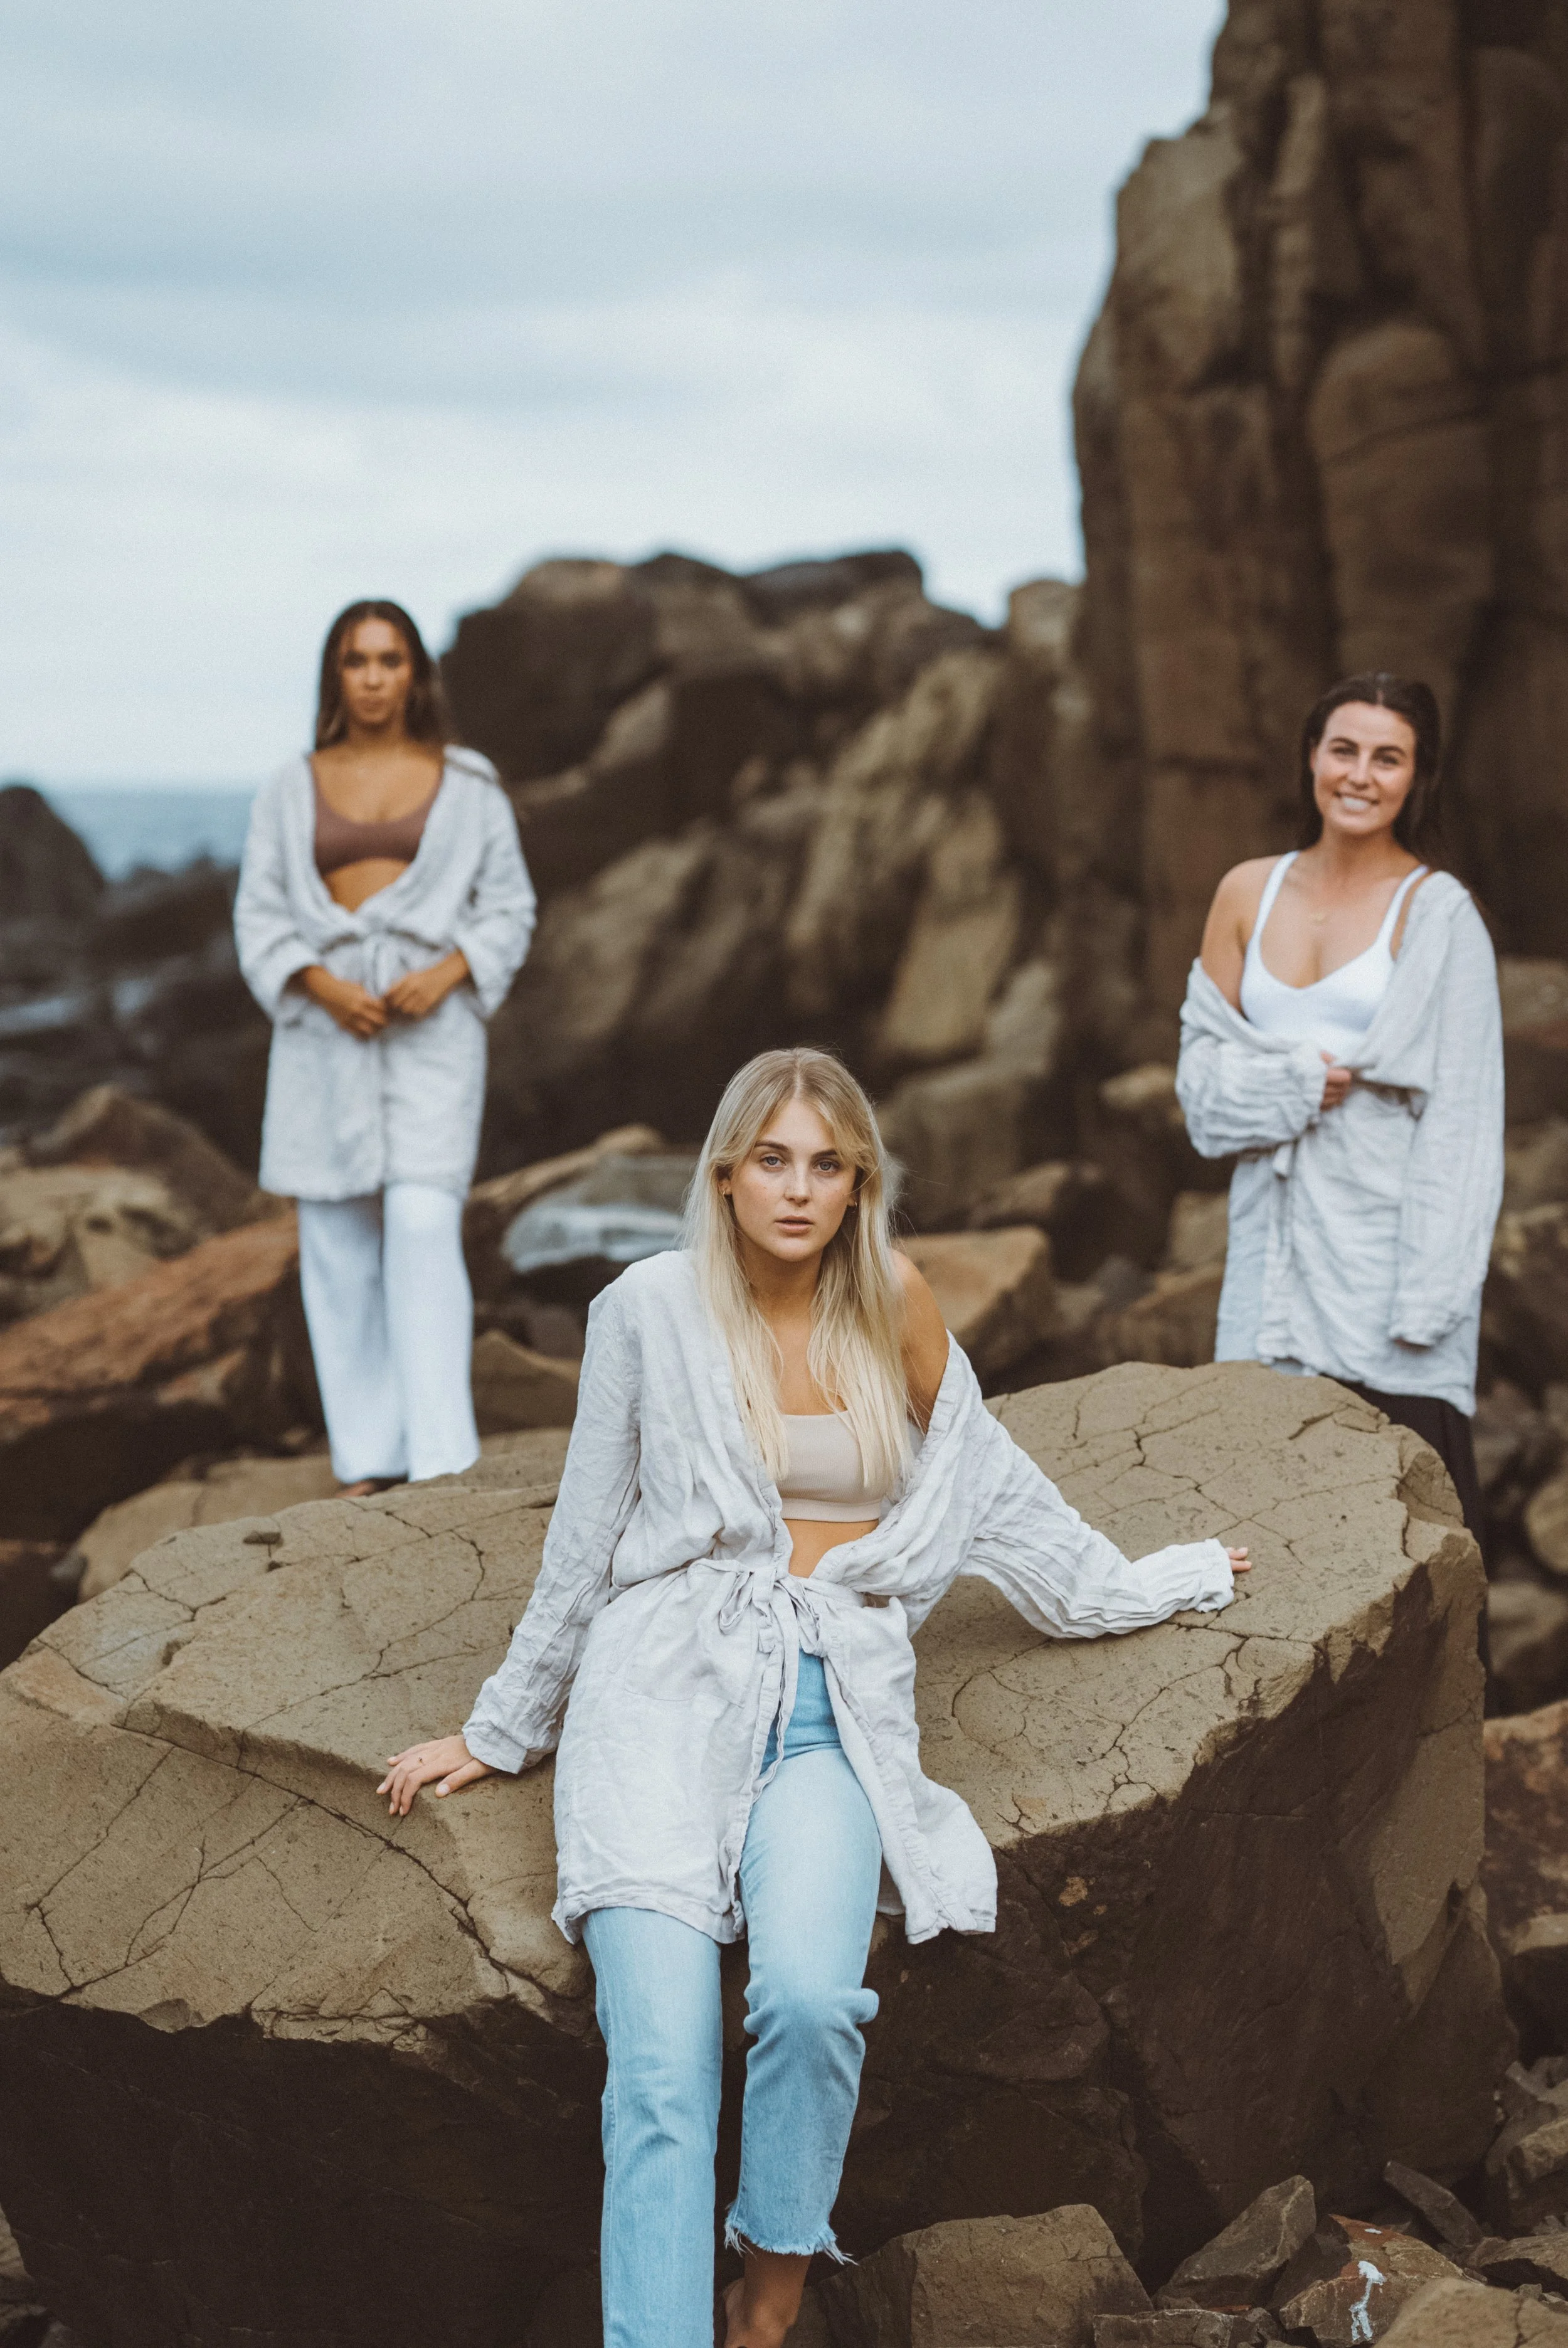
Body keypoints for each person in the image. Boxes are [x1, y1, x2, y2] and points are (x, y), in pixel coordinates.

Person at [376, 1046, 1250, 2348]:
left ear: (858, 1184)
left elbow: (985, 1478)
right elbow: (584, 1532)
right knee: (661, 2074)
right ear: (724, 1174)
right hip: (660, 1701)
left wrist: (1144, 1580)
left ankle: (771, 2286)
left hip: (830, 1712)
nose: (796, 1187)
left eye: (825, 1163)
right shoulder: (646, 1308)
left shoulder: (890, 1297)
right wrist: (500, 1730)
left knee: (804, 2000)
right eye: (771, 1160)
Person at [1178, 671, 1503, 1538]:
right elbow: (1201, 1092)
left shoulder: (1440, 916)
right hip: (1271, 1266)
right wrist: (1291, 1084)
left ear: (1416, 776)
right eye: (1344, 749)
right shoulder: (1247, 890)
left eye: (1388, 757)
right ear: (1312, 759)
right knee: (1271, 1526)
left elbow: (1467, 1126)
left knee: (1413, 1536)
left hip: (1389, 1268)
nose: (1361, 775)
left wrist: (1429, 1304)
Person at [234, 599, 535, 1494]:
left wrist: (448, 974)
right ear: (337, 674)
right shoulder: (289, 786)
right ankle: (369, 1458)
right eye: (357, 660)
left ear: (415, 673)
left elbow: (509, 905)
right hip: (323, 1038)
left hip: (431, 1032)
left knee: (419, 1218)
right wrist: (319, 985)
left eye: (390, 659)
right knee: (332, 1241)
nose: (372, 677)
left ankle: (441, 1455)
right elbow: (258, 911)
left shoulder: (470, 784)